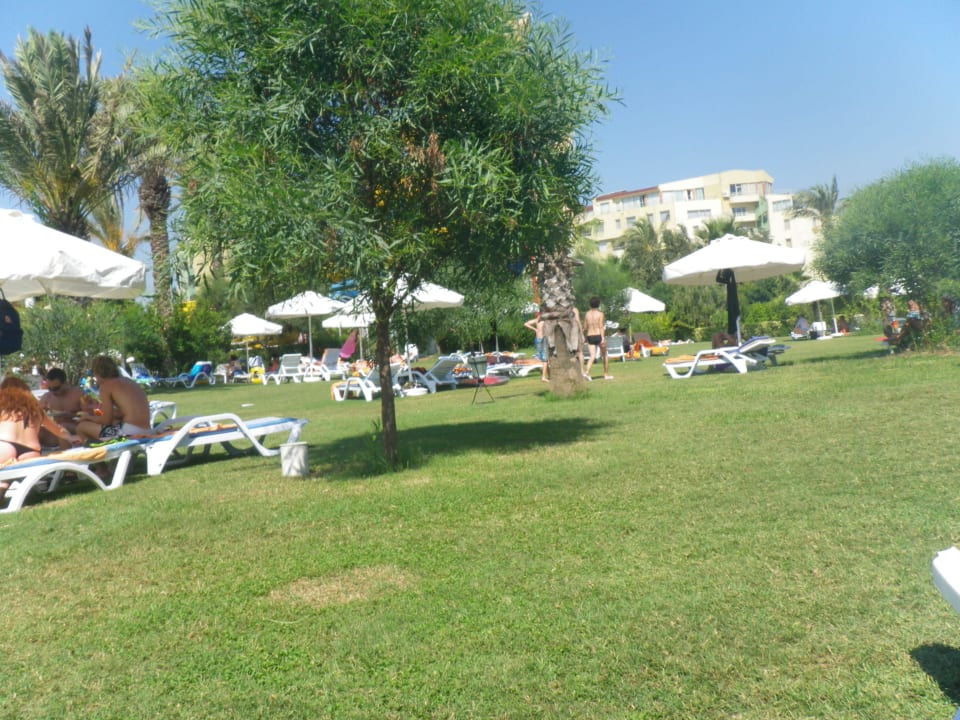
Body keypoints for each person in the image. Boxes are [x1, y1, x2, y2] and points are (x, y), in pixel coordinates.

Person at [0, 376, 80, 495]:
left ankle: (2, 487)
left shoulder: (3, 405)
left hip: (5, 446)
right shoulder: (35, 408)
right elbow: (58, 430)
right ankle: (3, 486)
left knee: (3, 477)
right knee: (5, 480)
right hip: (31, 452)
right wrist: (71, 437)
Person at [76, 355, 153, 442]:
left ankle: (97, 450)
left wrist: (88, 417)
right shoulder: (129, 381)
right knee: (114, 422)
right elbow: (120, 413)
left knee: (82, 427)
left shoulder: (106, 386)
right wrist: (94, 408)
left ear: (97, 373)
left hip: (129, 432)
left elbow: (105, 421)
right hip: (146, 429)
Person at [38, 368, 88, 449]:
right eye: (50, 389)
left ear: (65, 383)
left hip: (77, 429)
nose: (53, 392)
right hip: (58, 431)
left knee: (63, 427)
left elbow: (89, 415)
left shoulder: (78, 394)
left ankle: (66, 453)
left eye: (56, 388)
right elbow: (35, 415)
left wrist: (71, 415)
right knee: (37, 430)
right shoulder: (47, 397)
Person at [583, 296, 612, 380]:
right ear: (598, 304)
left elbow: (585, 327)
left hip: (590, 335)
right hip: (598, 335)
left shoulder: (587, 314)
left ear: (590, 304)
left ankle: (587, 372)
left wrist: (585, 336)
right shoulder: (600, 314)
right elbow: (601, 326)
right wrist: (602, 338)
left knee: (592, 356)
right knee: (604, 355)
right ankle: (606, 374)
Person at [523, 312, 549, 382]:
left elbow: (525, 324)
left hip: (537, 340)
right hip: (543, 340)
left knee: (544, 359)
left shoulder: (536, 320)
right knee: (545, 360)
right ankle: (543, 377)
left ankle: (548, 375)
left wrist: (534, 329)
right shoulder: (544, 321)